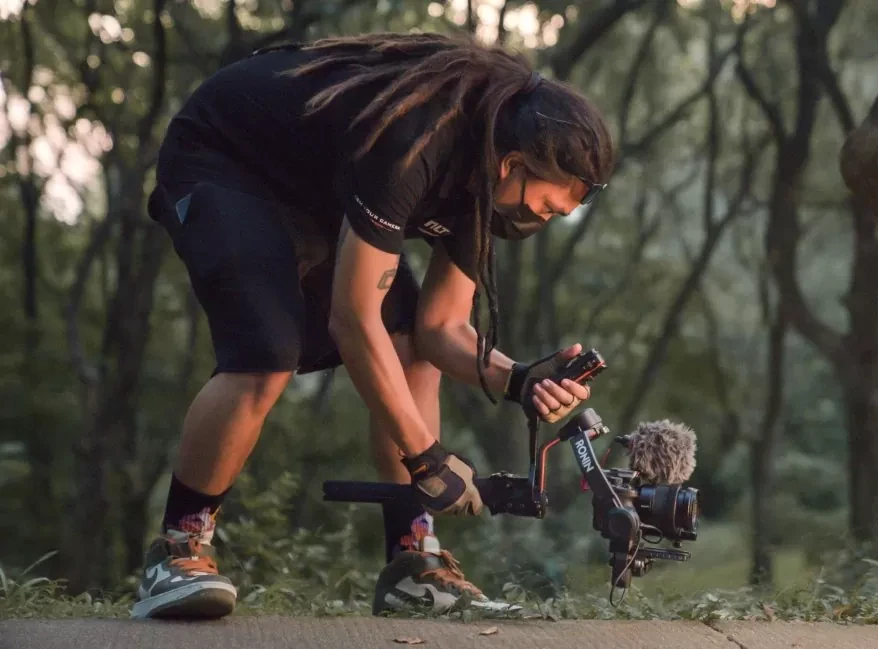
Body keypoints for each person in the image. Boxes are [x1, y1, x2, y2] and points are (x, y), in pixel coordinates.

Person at [132, 31, 615, 620]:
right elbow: (354, 320)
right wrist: (427, 457)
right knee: (266, 352)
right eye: (543, 206)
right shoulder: (415, 142)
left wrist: (522, 379)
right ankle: (178, 547)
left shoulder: (486, 185)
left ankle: (415, 564)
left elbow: (442, 329)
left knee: (410, 342)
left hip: (316, 193)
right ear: (512, 164)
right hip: (224, 161)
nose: (539, 221)